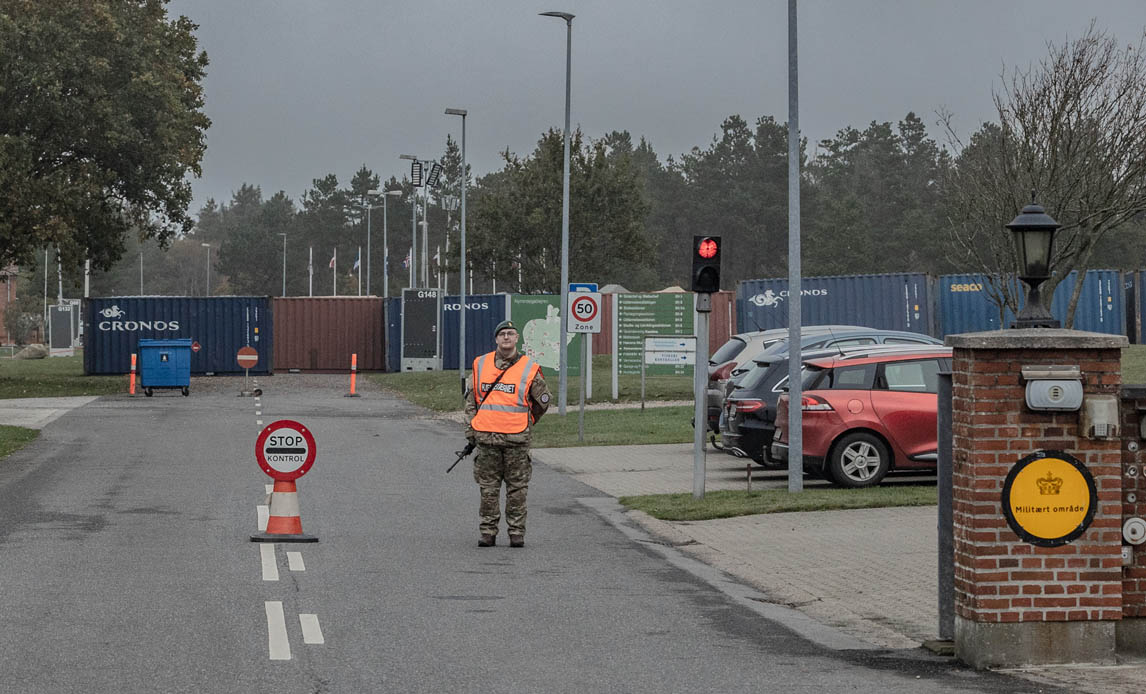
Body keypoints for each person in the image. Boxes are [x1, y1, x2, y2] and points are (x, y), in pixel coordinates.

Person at [464, 319, 551, 547]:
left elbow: (542, 401)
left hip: (516, 440)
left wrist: (527, 421)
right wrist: (471, 428)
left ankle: (516, 533)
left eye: (510, 334)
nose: (506, 337)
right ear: (496, 339)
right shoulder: (480, 364)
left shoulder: (529, 368)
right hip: (486, 439)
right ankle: (488, 532)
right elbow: (471, 400)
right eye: (502, 334)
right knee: (488, 490)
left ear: (516, 339)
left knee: (517, 490)